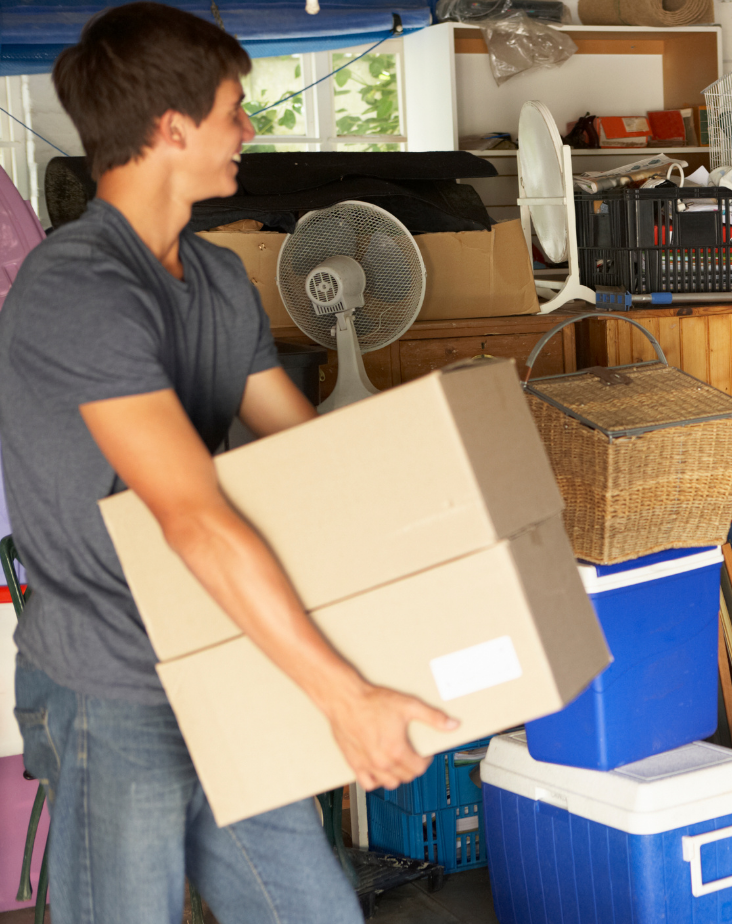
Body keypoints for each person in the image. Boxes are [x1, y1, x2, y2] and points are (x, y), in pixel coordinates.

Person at [0, 6, 457, 922]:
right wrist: (345, 694)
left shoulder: (213, 279)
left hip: (220, 657)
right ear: (171, 128)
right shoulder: (78, 288)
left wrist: (450, 524)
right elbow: (194, 516)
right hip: (111, 681)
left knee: (311, 912)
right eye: (233, 109)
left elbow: (307, 454)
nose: (250, 130)